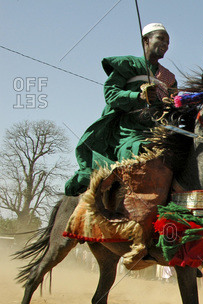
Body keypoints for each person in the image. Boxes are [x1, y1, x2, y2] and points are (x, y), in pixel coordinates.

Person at [65, 23, 177, 196]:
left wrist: (171, 106)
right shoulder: (128, 64)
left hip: (156, 130)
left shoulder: (169, 78)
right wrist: (137, 96)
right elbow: (111, 94)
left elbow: (175, 106)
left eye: (168, 42)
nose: (165, 44)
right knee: (138, 148)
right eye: (161, 38)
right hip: (127, 132)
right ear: (145, 40)